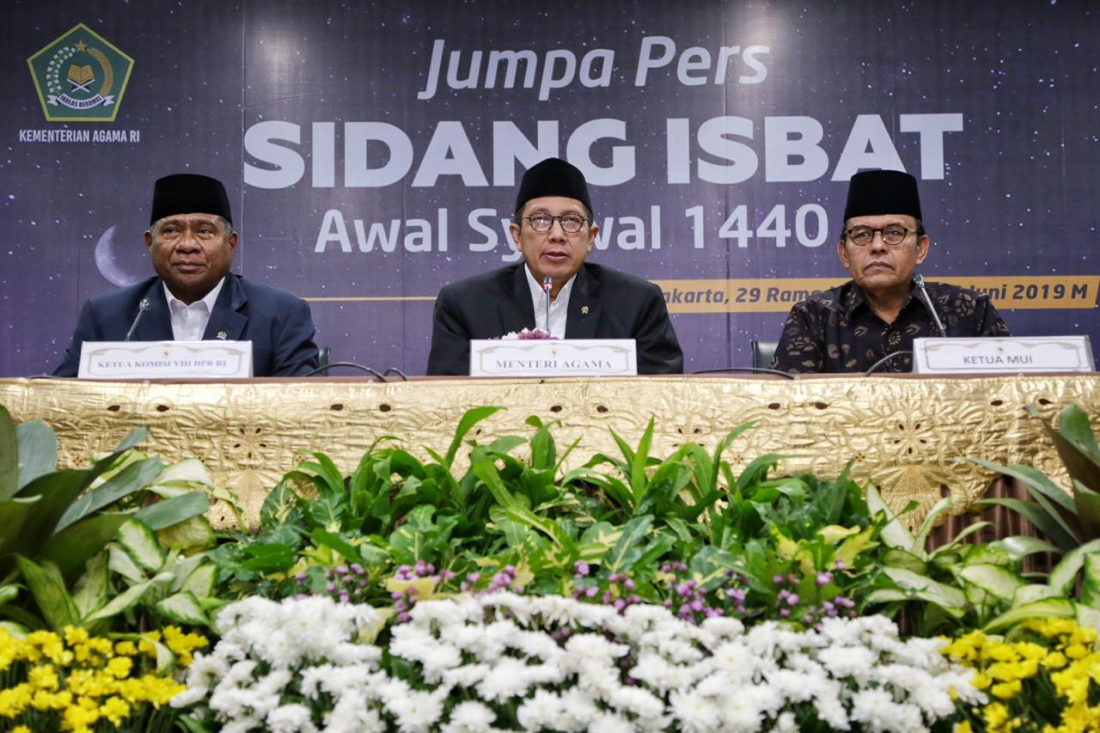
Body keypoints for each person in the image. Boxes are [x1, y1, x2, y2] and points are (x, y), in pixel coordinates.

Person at [427, 158, 683, 376]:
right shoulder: (465, 304)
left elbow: (663, 395)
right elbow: (448, 398)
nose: (557, 234)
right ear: (517, 235)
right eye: (540, 220)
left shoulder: (636, 302)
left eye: (571, 221)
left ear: (591, 236)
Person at [54, 173, 319, 377]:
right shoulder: (107, 314)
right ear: (150, 243)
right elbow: (62, 400)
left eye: (204, 231)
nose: (187, 244)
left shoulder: (280, 313)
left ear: (231, 244)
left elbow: (302, 405)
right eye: (171, 231)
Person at [772, 169, 1009, 373]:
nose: (877, 246)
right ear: (844, 253)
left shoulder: (970, 311)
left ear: (920, 249)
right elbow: (786, 407)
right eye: (862, 234)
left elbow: (1011, 396)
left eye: (894, 233)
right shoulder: (814, 316)